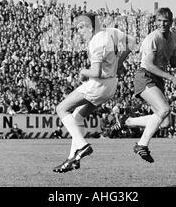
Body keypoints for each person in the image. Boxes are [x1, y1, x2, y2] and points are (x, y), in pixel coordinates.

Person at [113, 7, 176, 163]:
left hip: (158, 78)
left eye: (166, 21)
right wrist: (172, 78)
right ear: (155, 21)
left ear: (171, 22)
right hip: (145, 76)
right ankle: (141, 145)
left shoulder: (174, 37)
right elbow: (149, 65)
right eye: (159, 20)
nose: (163, 24)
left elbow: (173, 62)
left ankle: (127, 121)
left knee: (165, 121)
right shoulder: (152, 38)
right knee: (165, 109)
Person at [52, 13, 136, 173]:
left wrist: (83, 72)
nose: (79, 31)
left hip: (98, 84)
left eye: (81, 27)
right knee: (77, 116)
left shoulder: (96, 42)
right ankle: (73, 159)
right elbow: (132, 42)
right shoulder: (111, 32)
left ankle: (83, 146)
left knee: (61, 109)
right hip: (111, 85)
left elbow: (96, 72)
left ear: (90, 26)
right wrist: (119, 62)